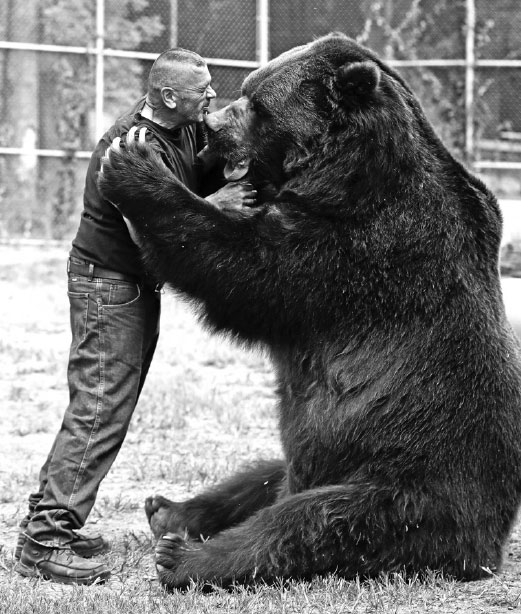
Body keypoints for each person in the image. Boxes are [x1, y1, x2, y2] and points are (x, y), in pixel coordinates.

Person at [15, 48, 256, 586]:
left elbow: (200, 171)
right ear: (170, 97)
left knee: (104, 405)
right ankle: (46, 540)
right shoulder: (130, 149)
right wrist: (218, 205)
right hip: (108, 284)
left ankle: (47, 519)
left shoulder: (188, 128)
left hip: (133, 286)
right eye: (202, 89)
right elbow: (153, 235)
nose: (211, 96)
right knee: (101, 407)